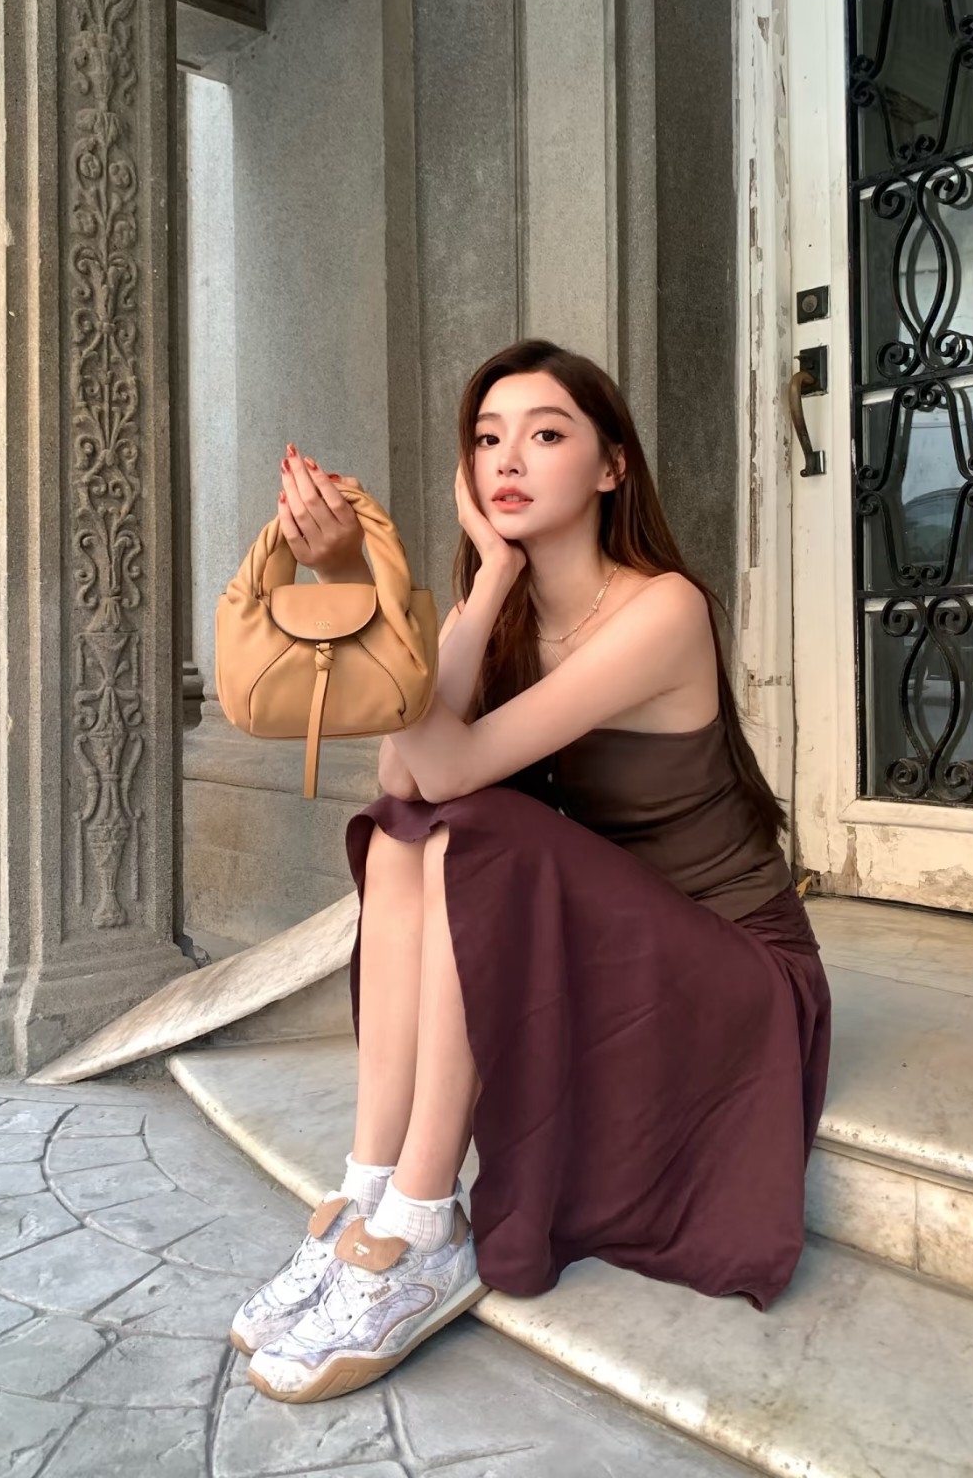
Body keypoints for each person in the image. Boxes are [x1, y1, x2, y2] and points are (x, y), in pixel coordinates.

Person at [228, 338, 832, 1405]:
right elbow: (401, 775)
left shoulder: (662, 609)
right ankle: (368, 1194)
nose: (507, 460)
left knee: (478, 836)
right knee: (404, 831)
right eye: (487, 438)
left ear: (612, 467)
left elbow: (450, 767)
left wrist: (396, 586)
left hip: (731, 969)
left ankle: (425, 1228)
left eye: (547, 434)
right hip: (609, 943)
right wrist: (468, 578)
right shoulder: (503, 606)